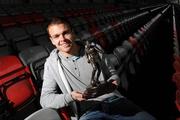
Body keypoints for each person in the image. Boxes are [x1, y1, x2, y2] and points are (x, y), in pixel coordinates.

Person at [40, 17, 156, 120]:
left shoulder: (94, 49)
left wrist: (115, 81)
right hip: (88, 112)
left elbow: (112, 73)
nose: (62, 39)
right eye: (56, 36)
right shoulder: (51, 64)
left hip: (114, 100)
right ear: (52, 40)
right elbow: (45, 99)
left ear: (73, 33)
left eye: (65, 33)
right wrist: (70, 97)